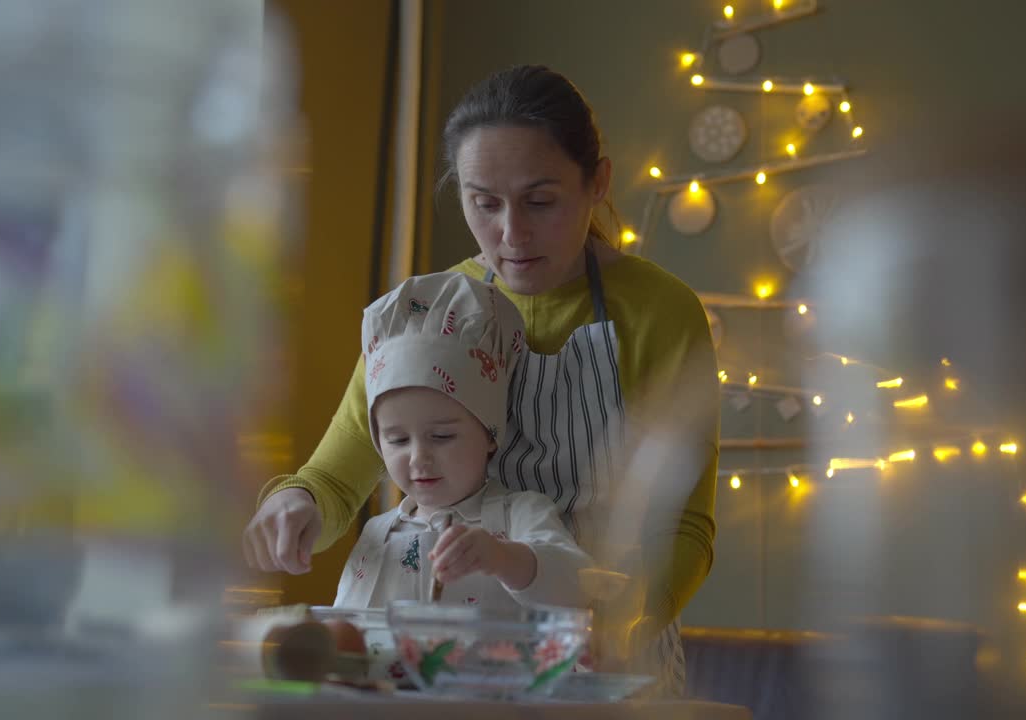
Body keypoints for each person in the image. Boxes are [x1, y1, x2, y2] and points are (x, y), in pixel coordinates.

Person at [244, 64, 719, 695]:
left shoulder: (661, 312)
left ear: (597, 182)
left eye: (540, 201)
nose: (511, 234)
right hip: (456, 663)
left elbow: (684, 528)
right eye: (483, 203)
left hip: (608, 660)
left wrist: (621, 624)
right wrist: (293, 505)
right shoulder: (428, 311)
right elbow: (333, 482)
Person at [332, 271, 591, 611]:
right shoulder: (376, 534)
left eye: (441, 436)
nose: (418, 458)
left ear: (489, 434)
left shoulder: (521, 513)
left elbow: (576, 588)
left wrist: (503, 558)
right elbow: (349, 627)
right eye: (397, 440)